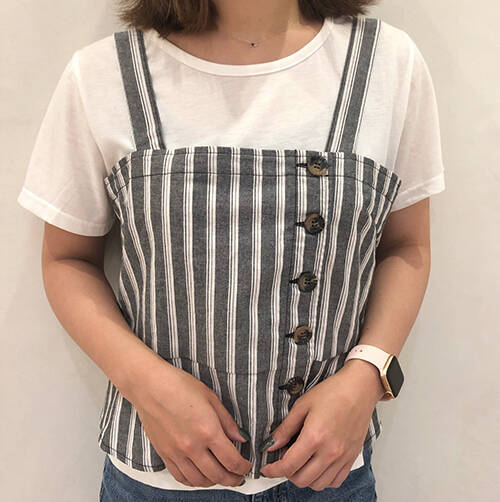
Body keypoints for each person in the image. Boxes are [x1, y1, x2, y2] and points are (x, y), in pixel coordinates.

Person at [17, 0, 445, 500]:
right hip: (157, 479)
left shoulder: (387, 65)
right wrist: (146, 384)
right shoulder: (103, 74)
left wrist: (368, 376)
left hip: (330, 475)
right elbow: (67, 259)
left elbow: (405, 247)